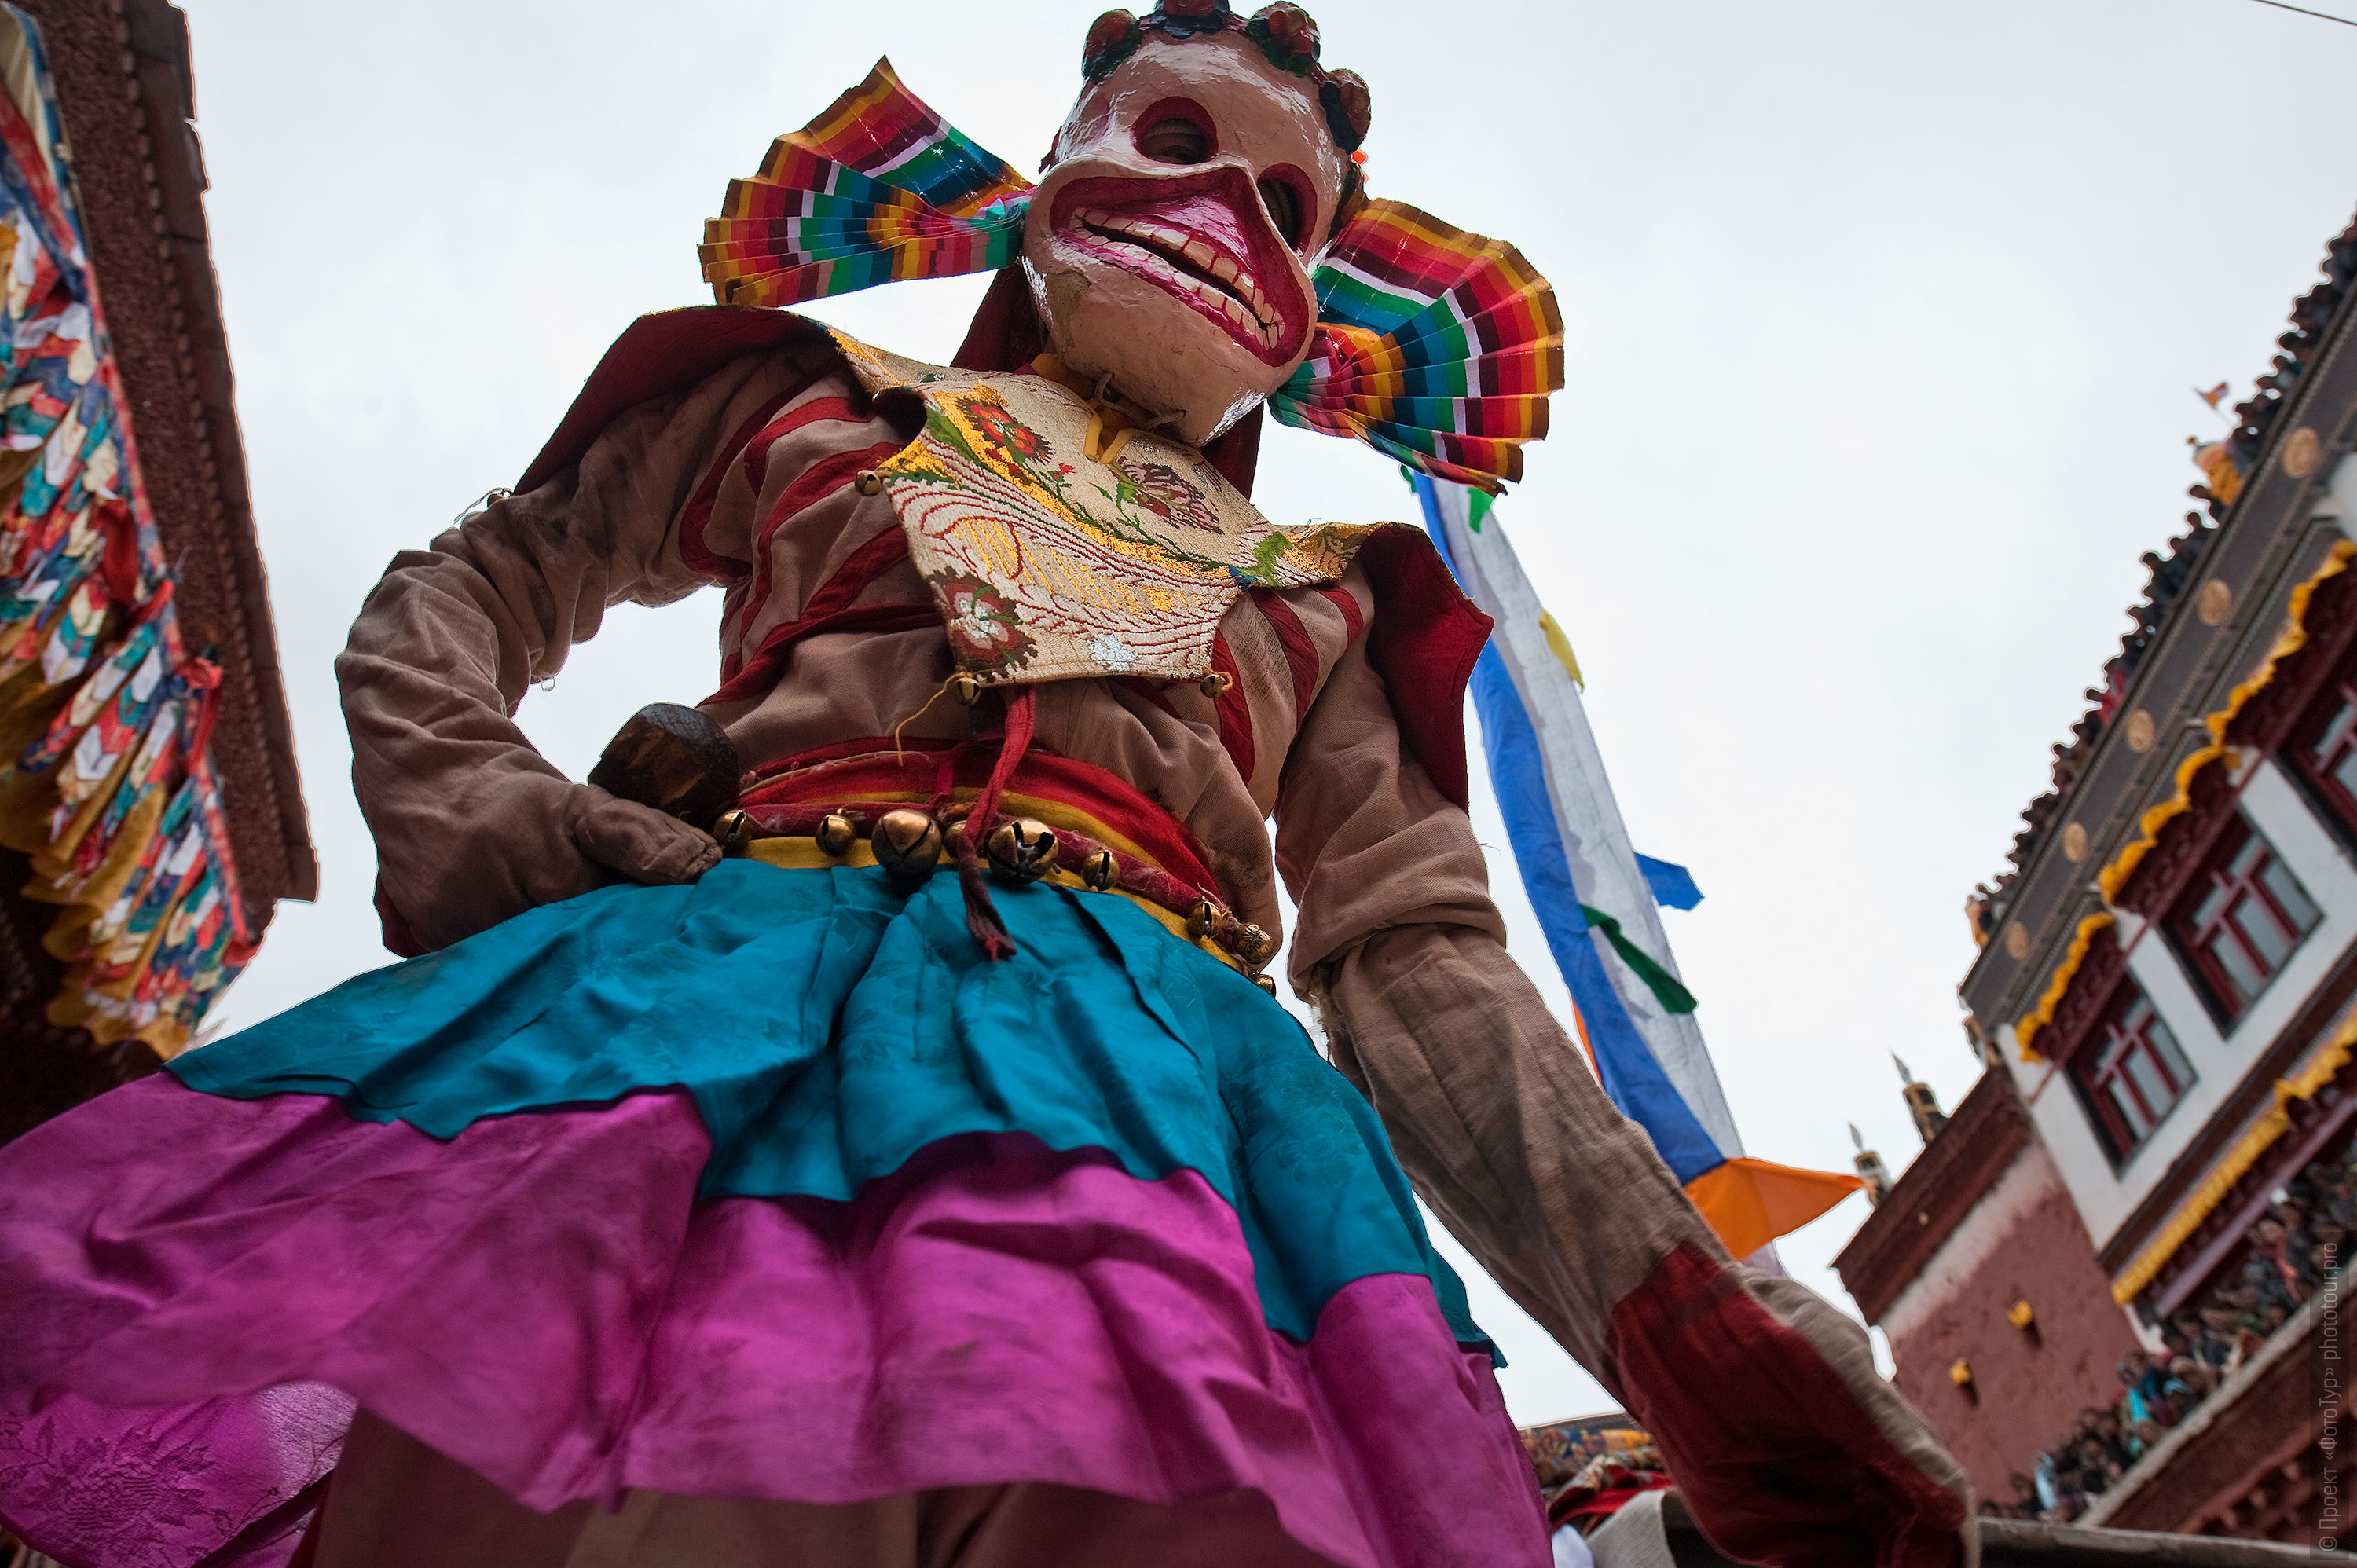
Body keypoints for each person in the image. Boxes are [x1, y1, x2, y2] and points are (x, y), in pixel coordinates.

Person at [0, 6, 1970, 1567]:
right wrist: (513, 831)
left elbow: (1420, 964)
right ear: (1055, 175)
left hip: (1169, 1120)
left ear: (1318, 304)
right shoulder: (809, 409)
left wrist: (1683, 1321)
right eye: (1181, 145)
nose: (1227, 216)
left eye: (1291, 207)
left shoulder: (1322, 602)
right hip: (711, 1037)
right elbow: (464, 595)